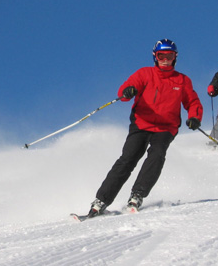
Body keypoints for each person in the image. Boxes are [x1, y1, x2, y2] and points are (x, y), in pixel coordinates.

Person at [86, 39, 203, 218]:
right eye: (161, 56)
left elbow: (192, 102)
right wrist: (128, 91)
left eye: (170, 56)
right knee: (128, 159)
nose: (165, 60)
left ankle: (137, 195)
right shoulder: (145, 73)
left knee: (157, 154)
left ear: (175, 57)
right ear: (155, 57)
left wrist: (194, 117)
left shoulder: (182, 80)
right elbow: (126, 89)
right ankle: (101, 201)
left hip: (166, 127)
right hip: (141, 123)